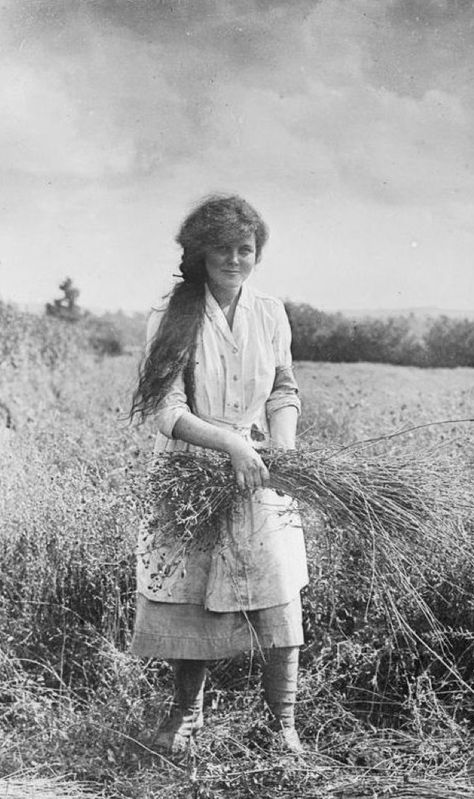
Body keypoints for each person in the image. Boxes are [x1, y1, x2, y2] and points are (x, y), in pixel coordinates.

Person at [130, 195, 308, 755]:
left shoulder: (270, 311)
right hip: (192, 471)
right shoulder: (173, 316)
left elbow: (283, 388)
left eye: (244, 249)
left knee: (277, 587)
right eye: (221, 249)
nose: (234, 259)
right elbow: (165, 407)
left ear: (257, 253)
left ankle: (282, 722)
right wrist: (229, 442)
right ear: (199, 254)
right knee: (192, 593)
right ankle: (188, 712)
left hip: (258, 470)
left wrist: (282, 451)